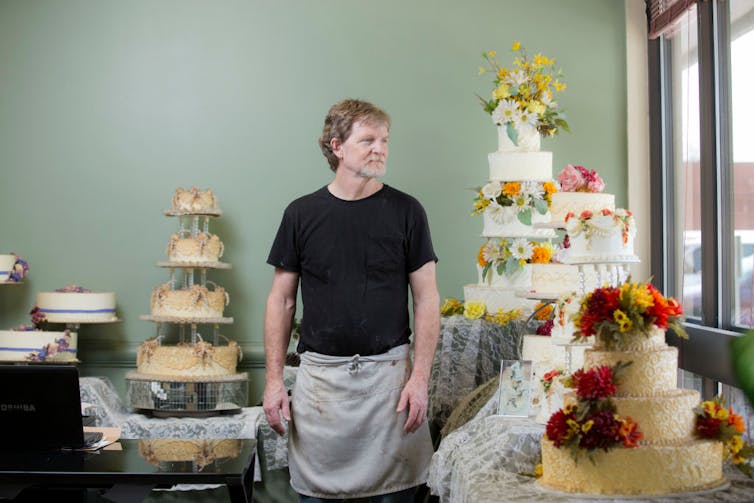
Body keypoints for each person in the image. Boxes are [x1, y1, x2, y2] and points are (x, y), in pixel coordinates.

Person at [263, 99, 440, 502]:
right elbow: (281, 302)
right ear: (337, 146)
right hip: (321, 387)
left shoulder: (408, 211)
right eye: (368, 140)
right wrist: (274, 382)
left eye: (385, 140)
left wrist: (420, 379)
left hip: (390, 386)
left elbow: (427, 299)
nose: (381, 148)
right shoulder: (301, 214)